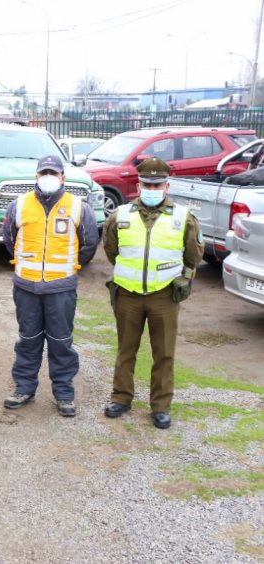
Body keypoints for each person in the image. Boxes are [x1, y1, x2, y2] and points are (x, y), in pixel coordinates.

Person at [102, 156, 203, 430]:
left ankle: (160, 406)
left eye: (157, 185)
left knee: (164, 353)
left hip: (164, 296)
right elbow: (111, 251)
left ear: (166, 186)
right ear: (139, 184)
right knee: (126, 349)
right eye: (147, 184)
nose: (152, 190)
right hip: (128, 294)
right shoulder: (120, 215)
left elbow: (193, 256)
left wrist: (180, 278)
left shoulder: (183, 218)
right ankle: (121, 398)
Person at [1, 155, 99, 417]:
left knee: (61, 342)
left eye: (53, 173)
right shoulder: (19, 206)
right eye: (44, 172)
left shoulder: (79, 207)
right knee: (28, 340)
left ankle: (64, 394)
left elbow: (89, 245)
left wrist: (66, 270)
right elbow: (9, 239)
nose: (48, 177)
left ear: (63, 177)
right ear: (36, 176)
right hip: (27, 288)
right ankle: (24, 388)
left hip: (60, 290)